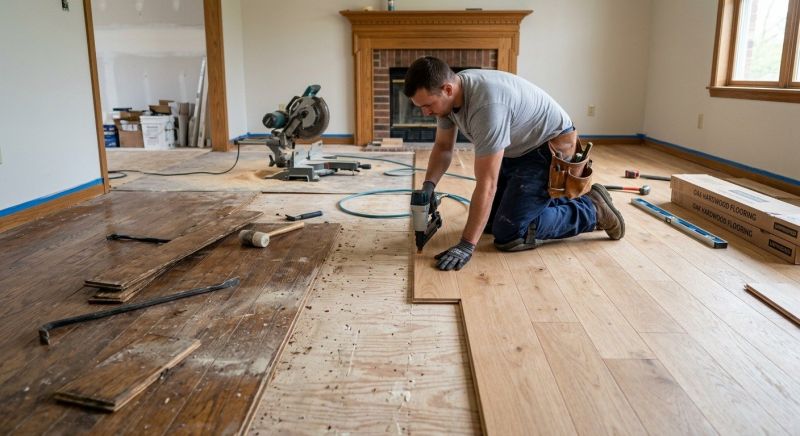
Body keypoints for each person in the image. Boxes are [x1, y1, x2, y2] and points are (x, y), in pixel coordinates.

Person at [403, 56, 624, 271]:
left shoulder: (486, 106)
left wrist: (466, 245)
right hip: (517, 148)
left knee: (510, 233)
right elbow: (443, 147)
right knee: (488, 223)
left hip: (548, 148)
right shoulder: (448, 96)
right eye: (421, 107)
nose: (426, 112)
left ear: (447, 89)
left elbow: (487, 184)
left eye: (428, 105)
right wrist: (429, 185)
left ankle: (593, 209)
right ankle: (544, 202)